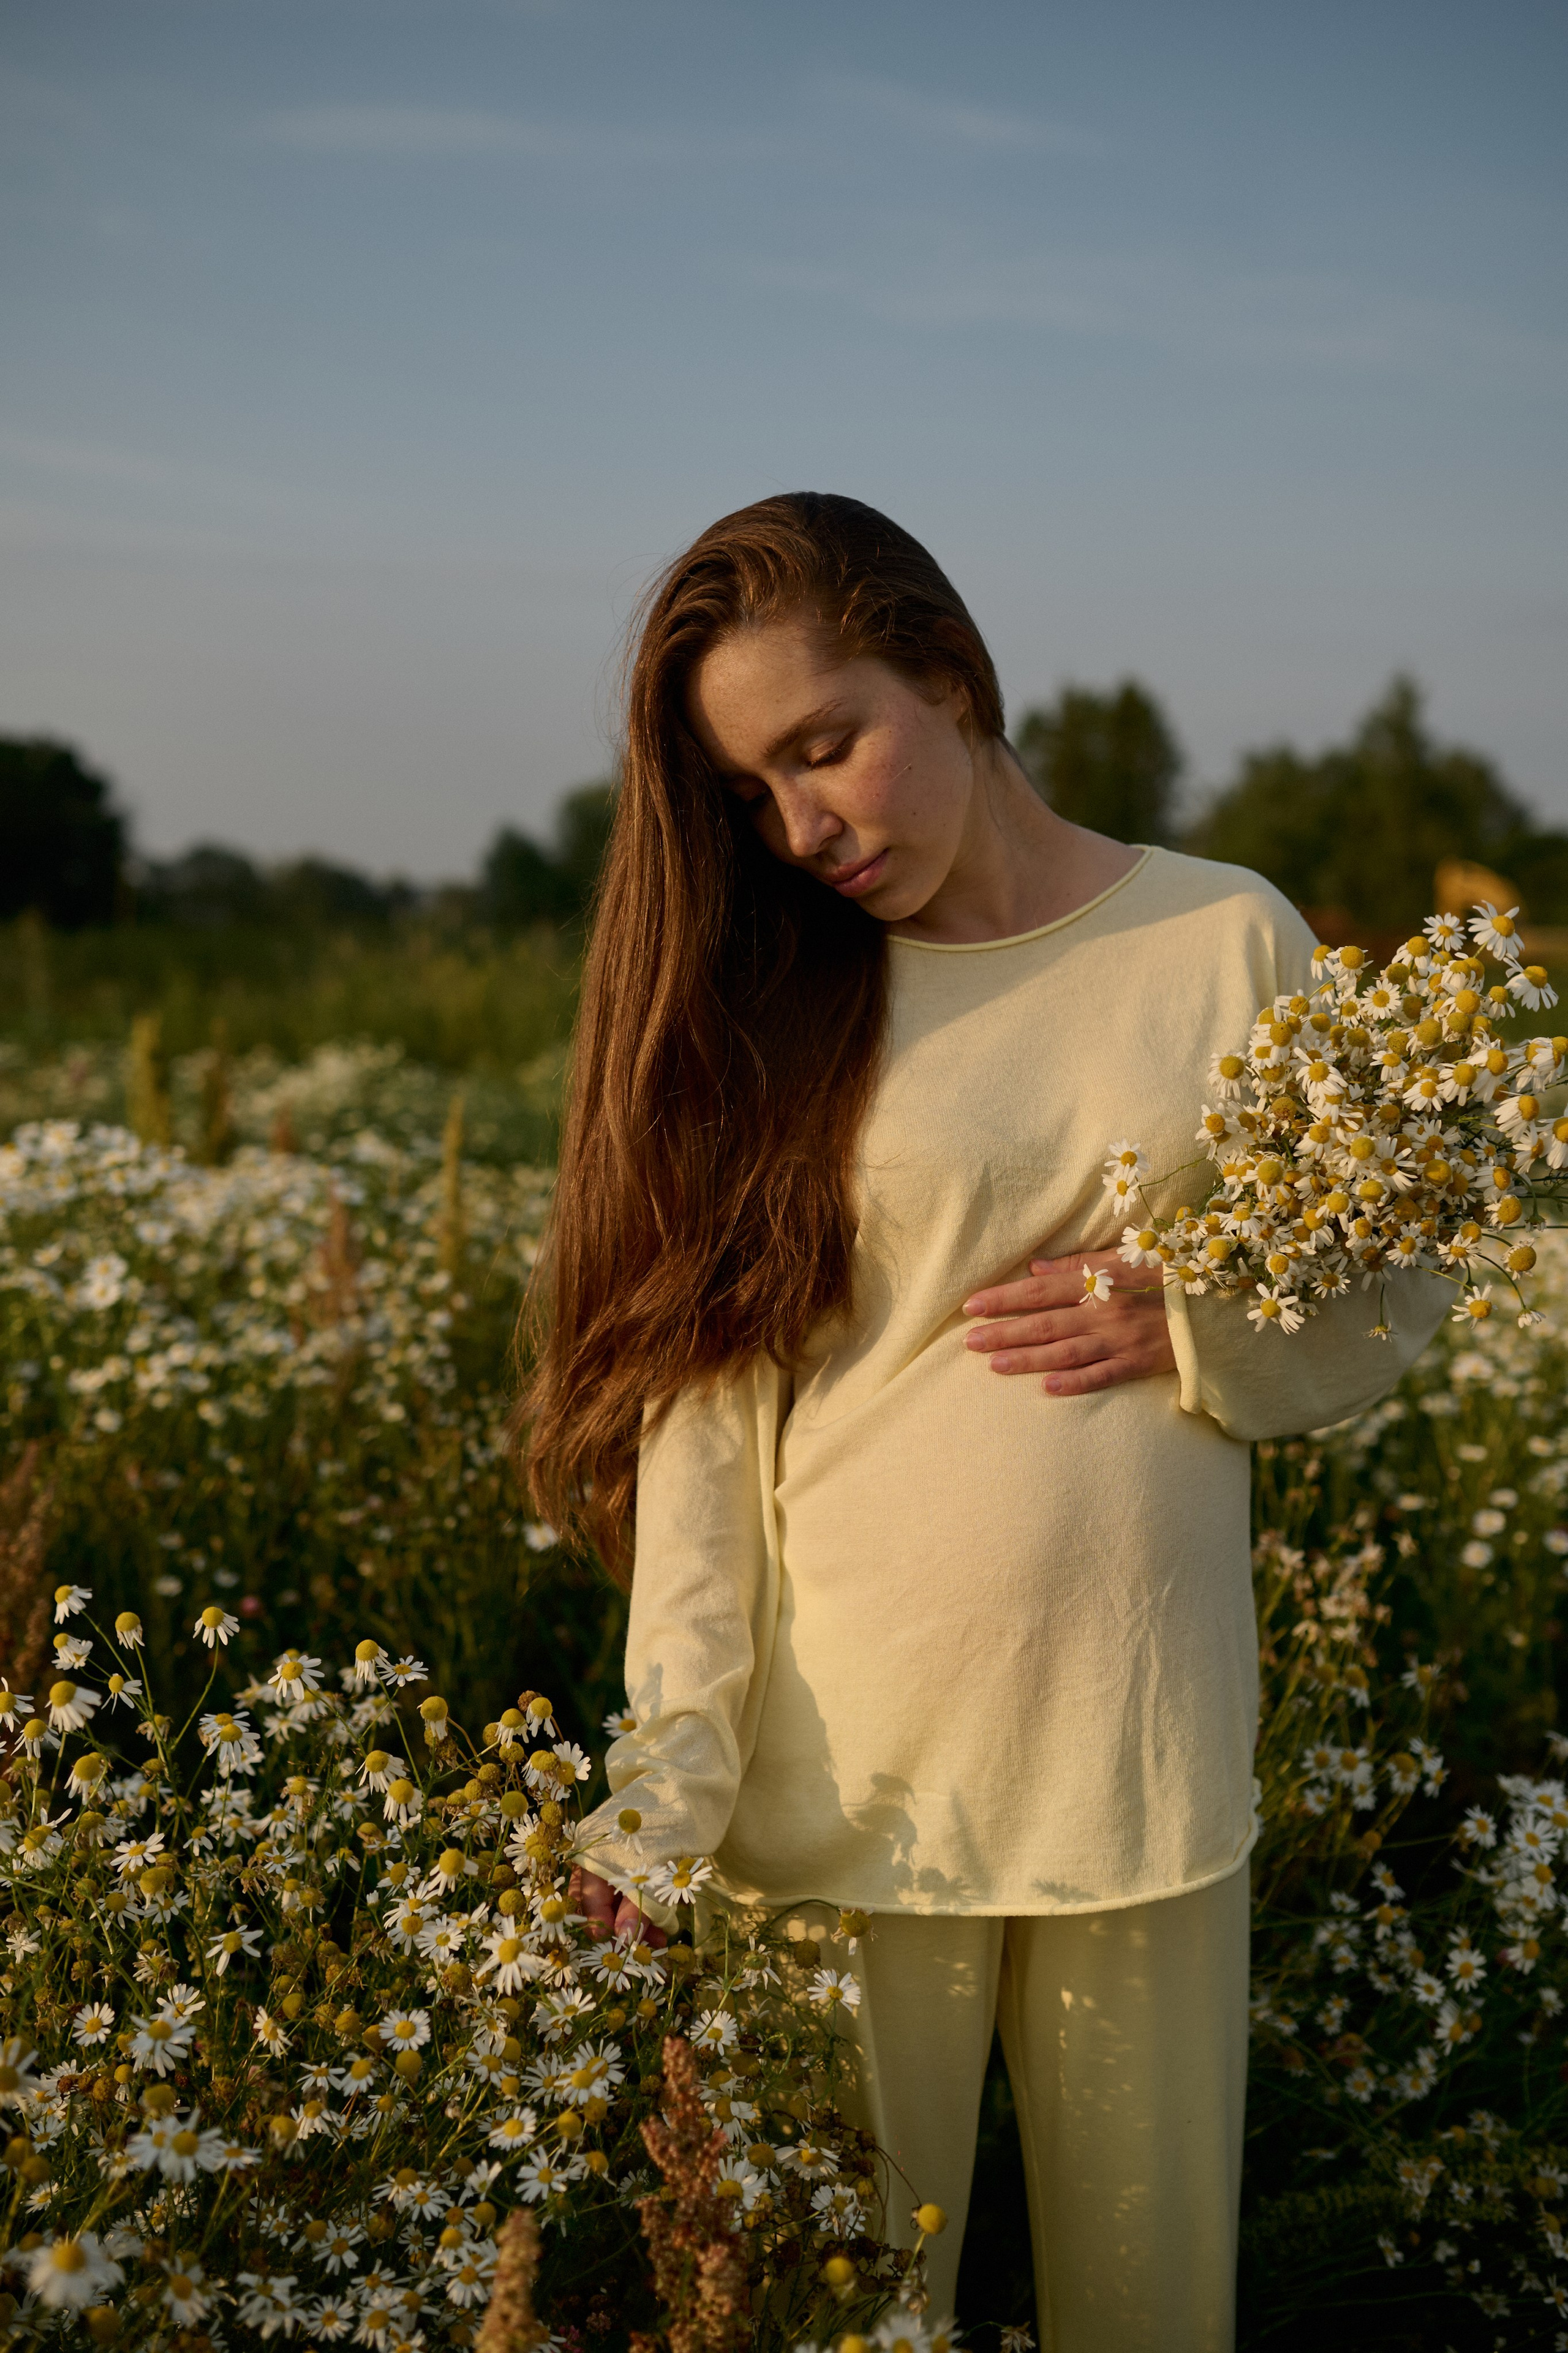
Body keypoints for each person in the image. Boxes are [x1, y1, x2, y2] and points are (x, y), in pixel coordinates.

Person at [522, 493, 1448, 2350]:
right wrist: (666, 1783)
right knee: (838, 2318)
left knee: (1155, 2316)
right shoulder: (781, 993)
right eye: (756, 791)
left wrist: (1195, 1316)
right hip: (841, 1805)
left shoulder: (1229, 940)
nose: (805, 826)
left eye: (825, 746)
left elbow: (1391, 1282)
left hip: (1147, 1779)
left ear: (946, 667)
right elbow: (710, 1448)